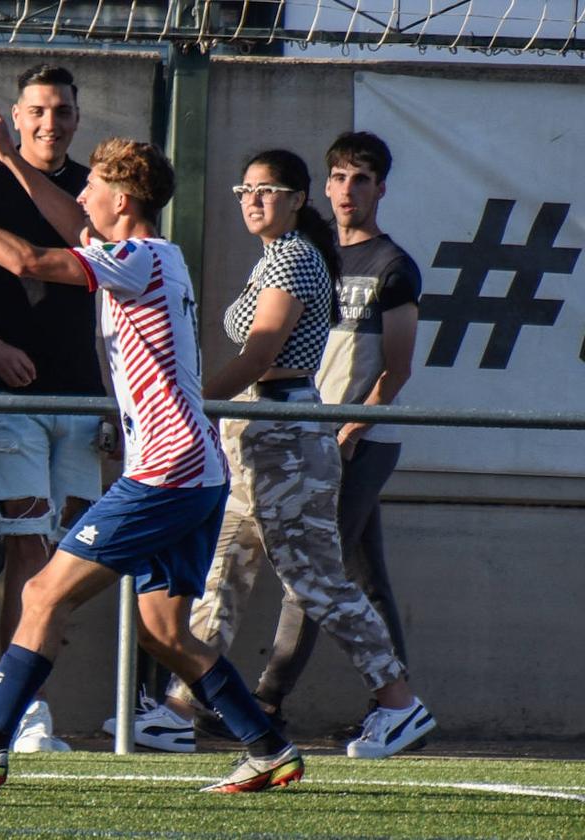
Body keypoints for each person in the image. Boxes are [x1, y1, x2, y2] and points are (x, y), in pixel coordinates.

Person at [0, 123, 303, 793]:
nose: (81, 193)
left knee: (41, 592)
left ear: (124, 199)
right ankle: (267, 747)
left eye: (94, 185)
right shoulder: (143, 253)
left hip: (165, 474)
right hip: (192, 472)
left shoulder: (138, 258)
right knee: (164, 632)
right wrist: (8, 161)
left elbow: (29, 259)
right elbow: (67, 221)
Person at [152, 149, 433, 760]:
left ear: (298, 198)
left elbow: (259, 356)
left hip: (286, 435)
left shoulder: (297, 258)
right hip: (255, 433)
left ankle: (397, 701)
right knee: (222, 570)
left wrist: (189, 407)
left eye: (269, 190)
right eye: (245, 189)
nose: (253, 200)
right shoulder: (275, 257)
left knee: (317, 583)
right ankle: (180, 705)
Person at [0, 64, 105, 753]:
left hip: (82, 397)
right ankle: (22, 714)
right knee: (29, 554)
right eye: (37, 110)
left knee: (70, 559)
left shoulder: (95, 193)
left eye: (62, 111)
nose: (50, 123)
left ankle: (28, 700)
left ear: (76, 117)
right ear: (15, 114)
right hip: (7, 399)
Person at [240, 131, 424, 736]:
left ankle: (266, 701)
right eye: (340, 177)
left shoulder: (393, 266)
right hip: (310, 433)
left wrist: (350, 428)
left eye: (362, 179)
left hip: (357, 438)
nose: (349, 190)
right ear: (324, 187)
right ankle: (398, 701)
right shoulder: (314, 255)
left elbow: (396, 368)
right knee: (360, 571)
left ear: (381, 189)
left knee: (313, 572)